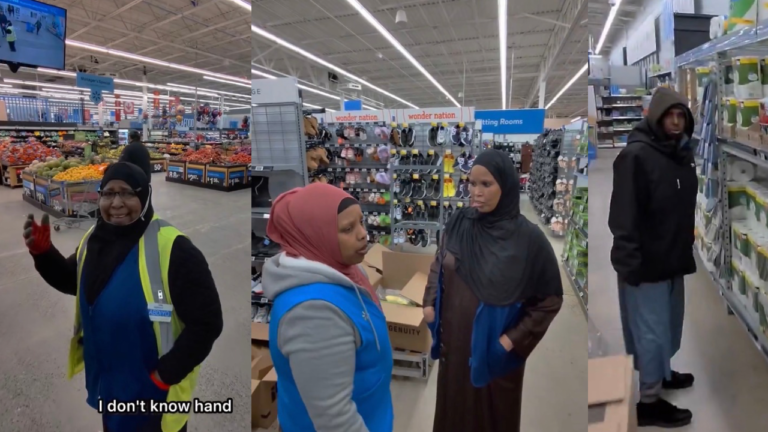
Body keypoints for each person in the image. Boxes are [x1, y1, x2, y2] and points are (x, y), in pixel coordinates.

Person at [22, 145, 223, 432]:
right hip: (111, 383)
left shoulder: (175, 248)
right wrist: (44, 255)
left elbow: (207, 323)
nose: (116, 203)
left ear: (144, 196)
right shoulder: (95, 238)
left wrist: (165, 375)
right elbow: (73, 281)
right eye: (108, 193)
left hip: (156, 395)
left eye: (128, 193)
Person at [423, 149, 563, 432]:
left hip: (493, 352)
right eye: (472, 183)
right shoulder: (460, 223)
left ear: (506, 186)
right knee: (453, 412)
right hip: (455, 345)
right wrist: (430, 302)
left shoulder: (529, 240)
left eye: (486, 184)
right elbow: (441, 261)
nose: (476, 192)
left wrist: (510, 341)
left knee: (490, 417)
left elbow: (549, 300)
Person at [262, 183, 393, 432]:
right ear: (316, 236)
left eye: (361, 222)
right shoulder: (311, 313)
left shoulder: (346, 271)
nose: (363, 234)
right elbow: (334, 419)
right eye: (347, 229)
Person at [609, 86, 697, 428]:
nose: (675, 122)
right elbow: (623, 216)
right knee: (651, 333)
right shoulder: (636, 157)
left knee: (670, 326)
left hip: (672, 257)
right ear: (656, 117)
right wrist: (630, 263)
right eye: (669, 115)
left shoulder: (680, 154)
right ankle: (648, 402)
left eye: (681, 116)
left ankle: (662, 373)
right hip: (644, 264)